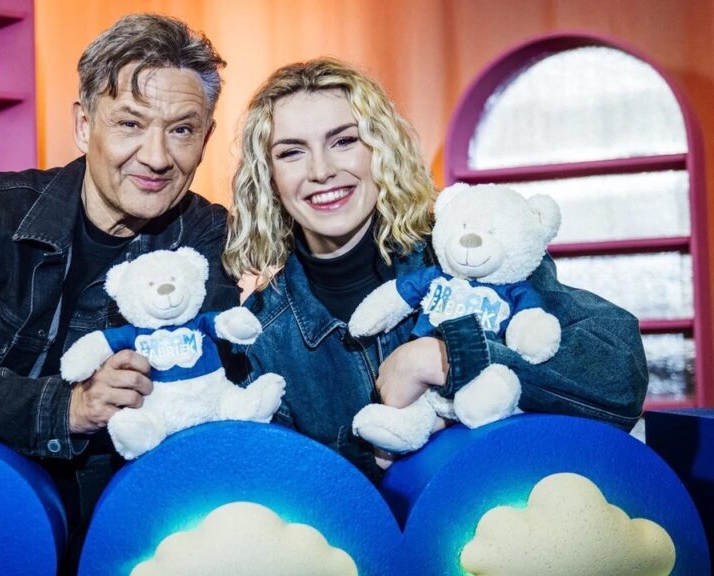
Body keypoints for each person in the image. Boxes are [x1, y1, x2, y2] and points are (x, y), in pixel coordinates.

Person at [0, 14, 238, 572]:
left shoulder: (206, 237)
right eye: (130, 123)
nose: (158, 157)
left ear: (205, 138)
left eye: (181, 130)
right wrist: (65, 407)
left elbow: (206, 405)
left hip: (128, 537)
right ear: (84, 125)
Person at [223, 58, 648, 482]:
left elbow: (617, 382)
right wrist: (373, 455)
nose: (321, 171)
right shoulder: (261, 337)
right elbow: (285, 493)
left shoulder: (469, 247)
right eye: (292, 152)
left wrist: (443, 358)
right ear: (269, 175)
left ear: (380, 149)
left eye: (344, 141)